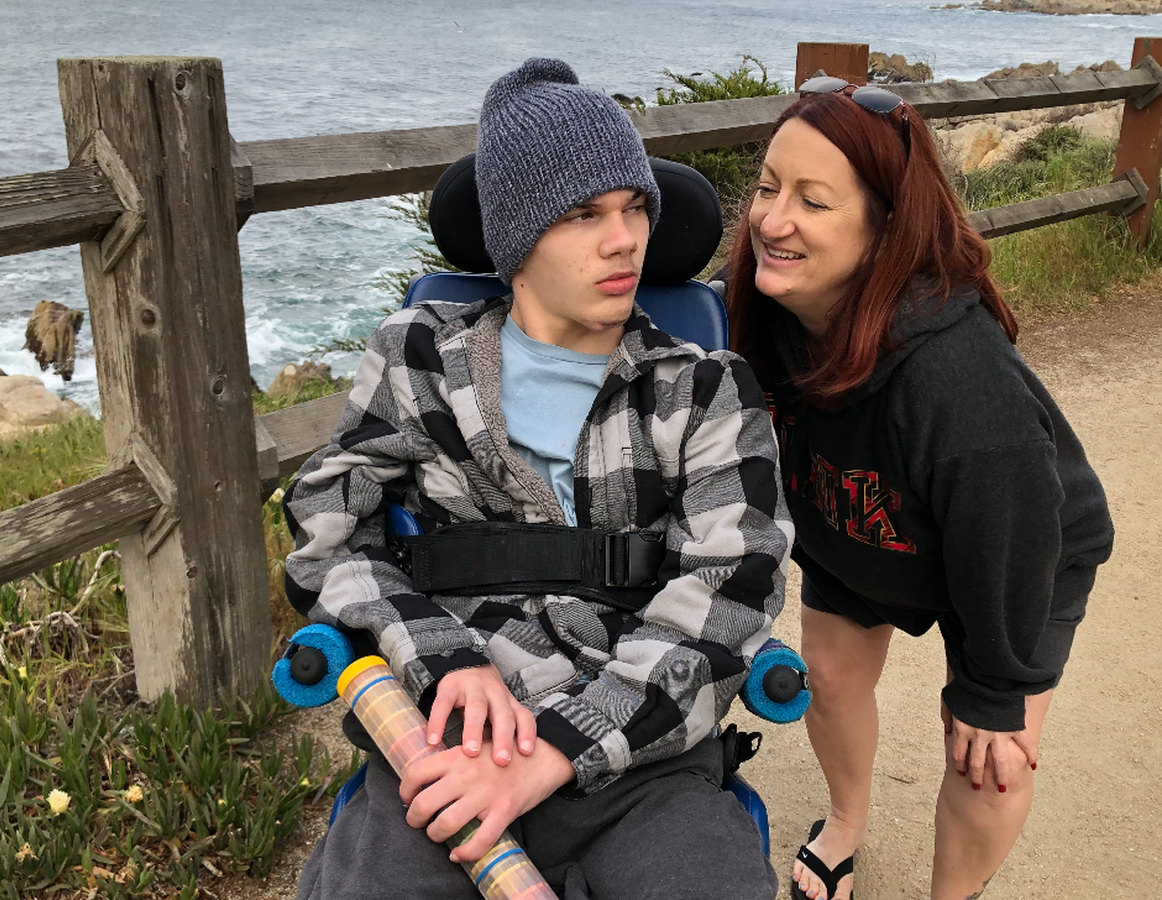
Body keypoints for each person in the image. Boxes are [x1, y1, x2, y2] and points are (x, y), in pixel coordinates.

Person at [283, 57, 793, 900]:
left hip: (641, 761)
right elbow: (325, 527)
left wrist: (562, 744)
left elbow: (734, 584)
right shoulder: (420, 358)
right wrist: (439, 657)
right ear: (516, 239)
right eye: (584, 213)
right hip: (445, 746)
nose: (624, 239)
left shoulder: (702, 388)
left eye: (634, 208)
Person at [723, 77, 1115, 900]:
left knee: (988, 757)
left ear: (886, 229)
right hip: (865, 524)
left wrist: (993, 688)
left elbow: (1012, 525)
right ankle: (846, 823)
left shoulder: (957, 379)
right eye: (767, 187)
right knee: (831, 679)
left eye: (813, 202)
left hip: (1014, 552)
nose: (772, 220)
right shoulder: (775, 313)